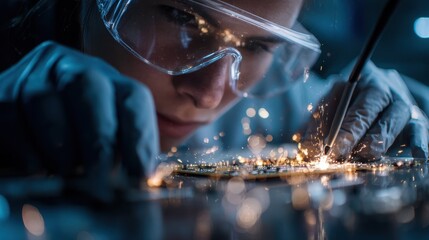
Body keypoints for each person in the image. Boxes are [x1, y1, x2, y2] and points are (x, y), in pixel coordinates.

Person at [0, 0, 428, 183]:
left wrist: (407, 108)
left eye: (258, 45)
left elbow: (382, 113)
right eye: (181, 18)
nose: (209, 95)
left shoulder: (282, 107)